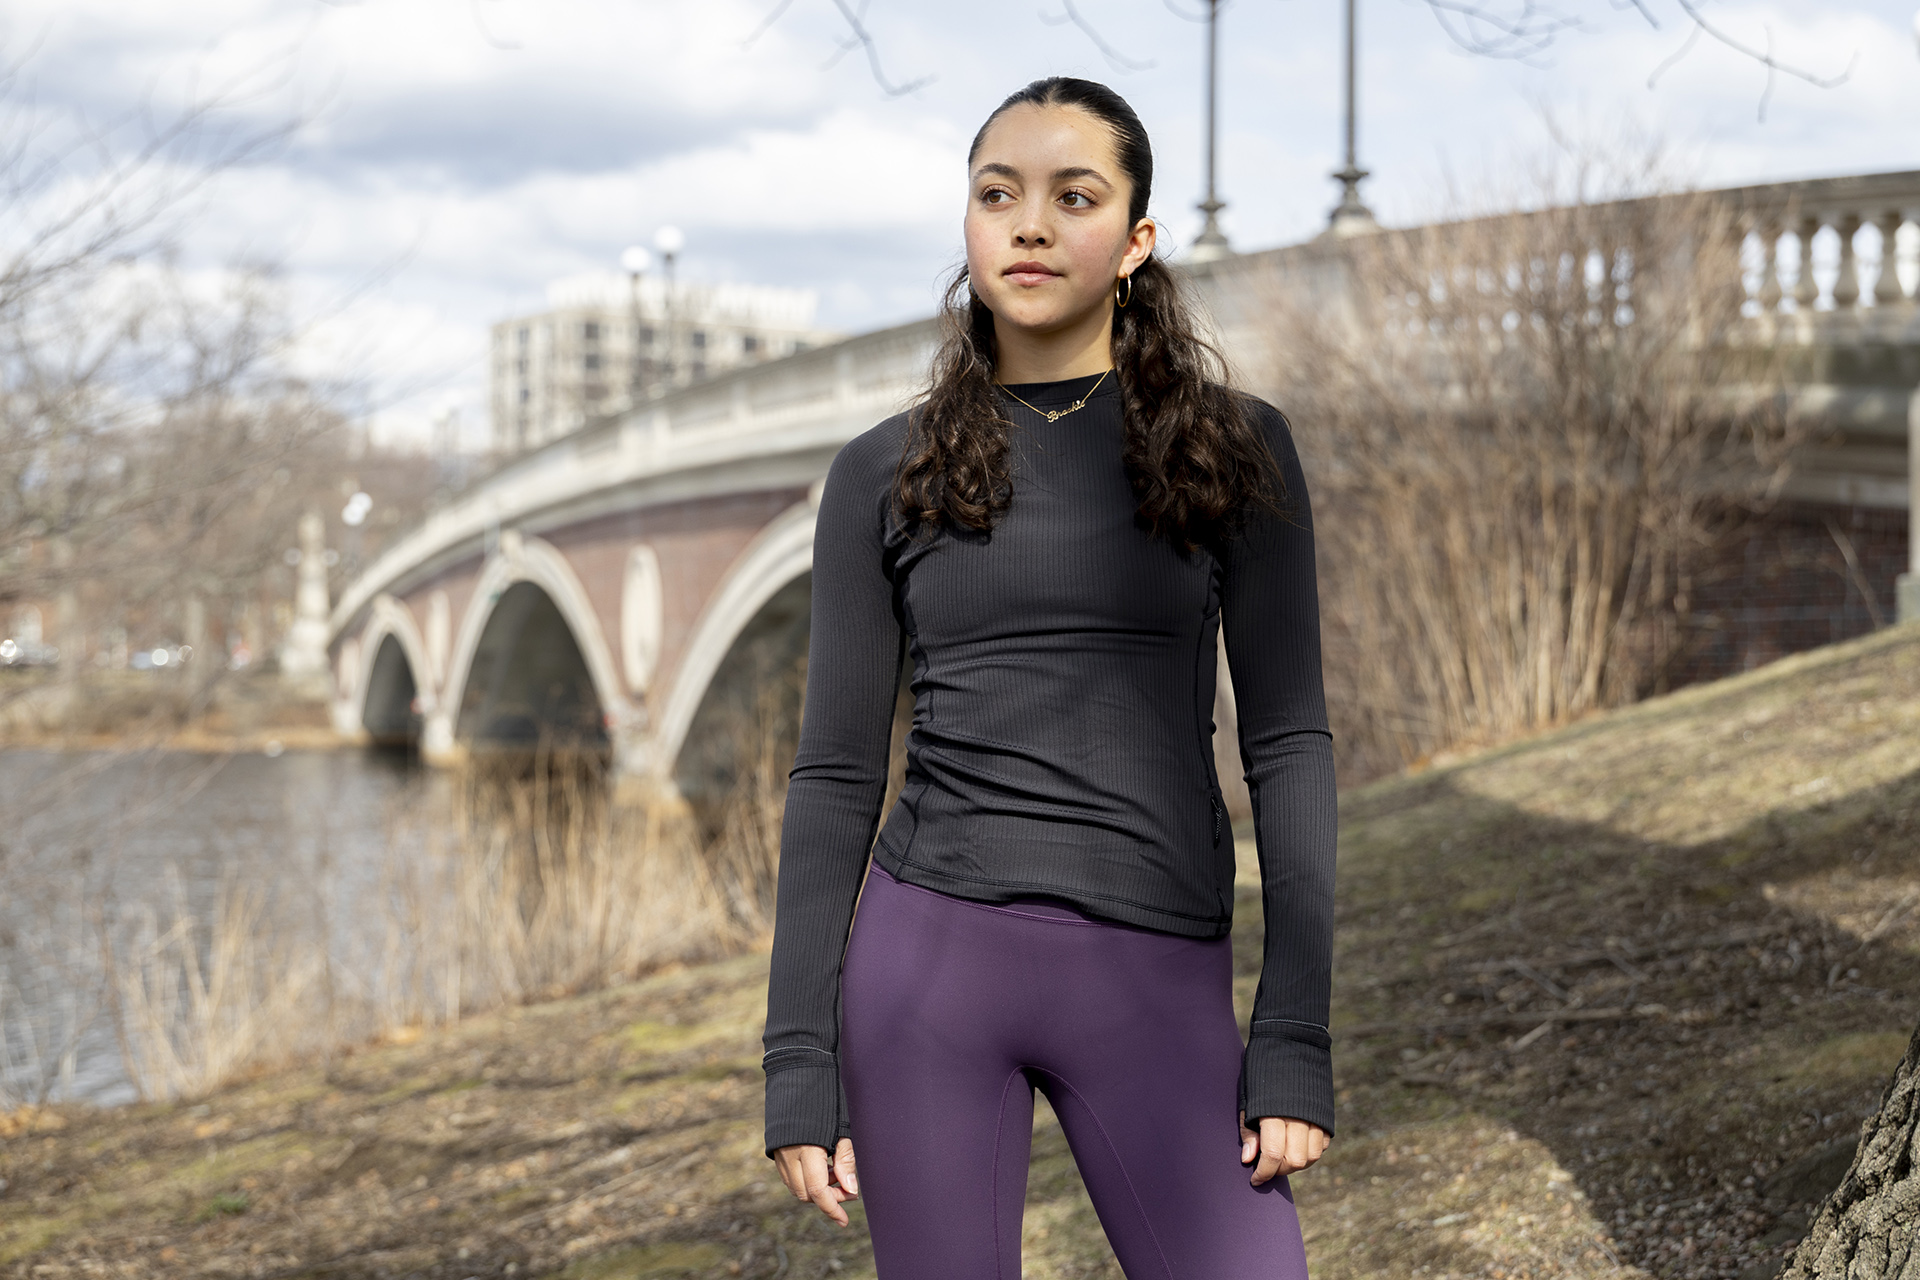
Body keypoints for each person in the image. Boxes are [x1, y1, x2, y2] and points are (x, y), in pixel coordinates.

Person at [761, 75, 1336, 1278]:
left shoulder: (1236, 447)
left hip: (1155, 974)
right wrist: (797, 1055)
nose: (1029, 224)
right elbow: (833, 773)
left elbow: (1287, 744)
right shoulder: (881, 471)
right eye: (997, 194)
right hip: (926, 977)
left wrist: (1293, 1032)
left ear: (1134, 241)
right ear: (967, 223)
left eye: (1073, 197)